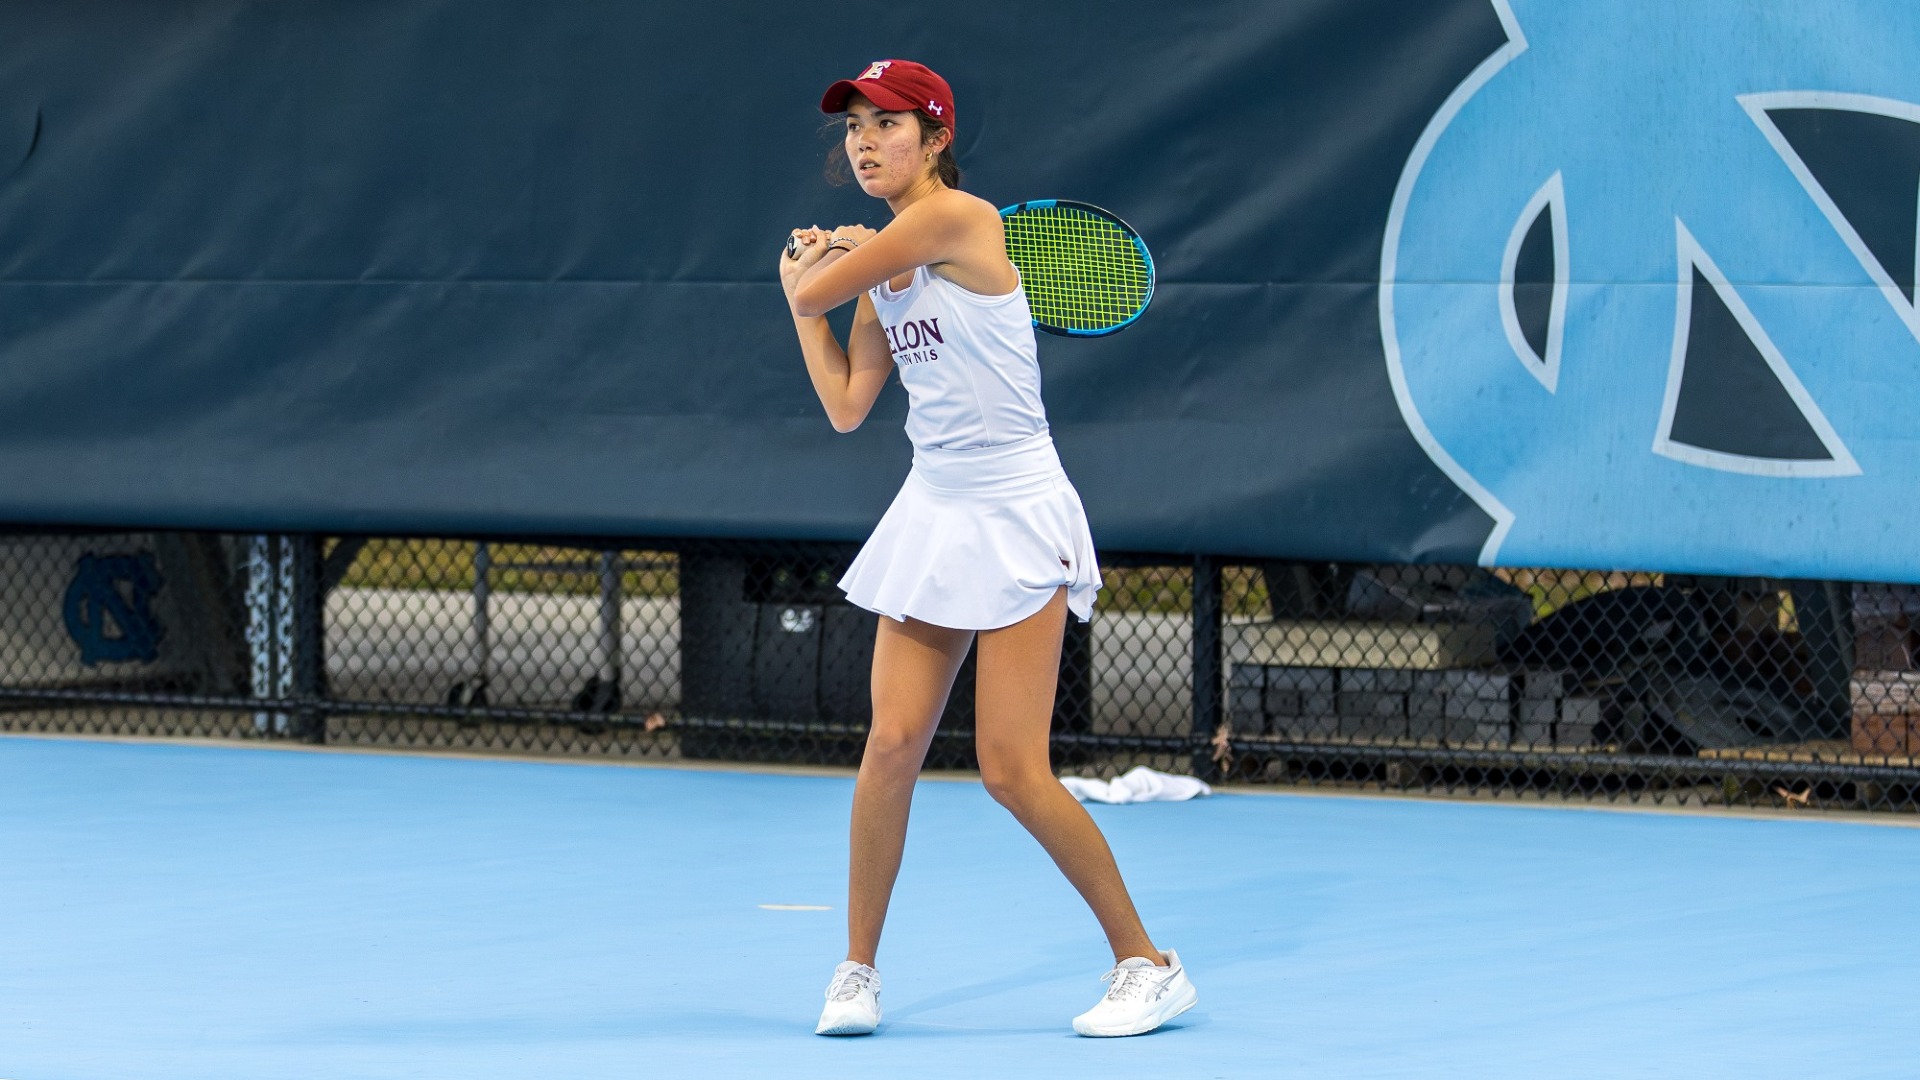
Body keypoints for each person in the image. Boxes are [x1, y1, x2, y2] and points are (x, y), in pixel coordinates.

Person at [777, 58, 1197, 1039]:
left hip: (1016, 510)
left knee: (1013, 768)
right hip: (935, 509)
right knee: (890, 747)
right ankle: (857, 972)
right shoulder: (890, 262)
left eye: (887, 126)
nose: (865, 143)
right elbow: (846, 404)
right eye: (853, 130)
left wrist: (815, 274)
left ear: (935, 141)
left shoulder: (959, 221)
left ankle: (1149, 964)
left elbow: (823, 288)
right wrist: (815, 288)